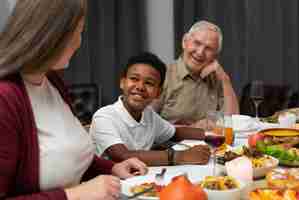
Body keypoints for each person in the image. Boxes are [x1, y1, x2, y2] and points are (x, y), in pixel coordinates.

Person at [0, 0, 147, 199]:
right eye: (78, 32)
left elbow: (69, 154)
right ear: (51, 35)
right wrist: (74, 195)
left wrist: (111, 168)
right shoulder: (5, 98)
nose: (79, 41)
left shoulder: (52, 81)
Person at [90, 52, 211, 166]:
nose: (140, 87)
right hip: (108, 183)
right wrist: (181, 156)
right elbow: (122, 156)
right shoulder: (104, 116)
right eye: (134, 79)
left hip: (141, 181)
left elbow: (175, 133)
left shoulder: (149, 115)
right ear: (122, 82)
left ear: (158, 93)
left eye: (149, 83)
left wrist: (213, 135)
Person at [152, 20, 239, 128]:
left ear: (215, 56)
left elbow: (233, 122)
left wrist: (225, 80)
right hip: (170, 144)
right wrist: (192, 129)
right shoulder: (162, 75)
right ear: (184, 42)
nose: (200, 52)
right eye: (197, 43)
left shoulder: (217, 78)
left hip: (211, 144)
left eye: (209, 48)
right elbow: (147, 124)